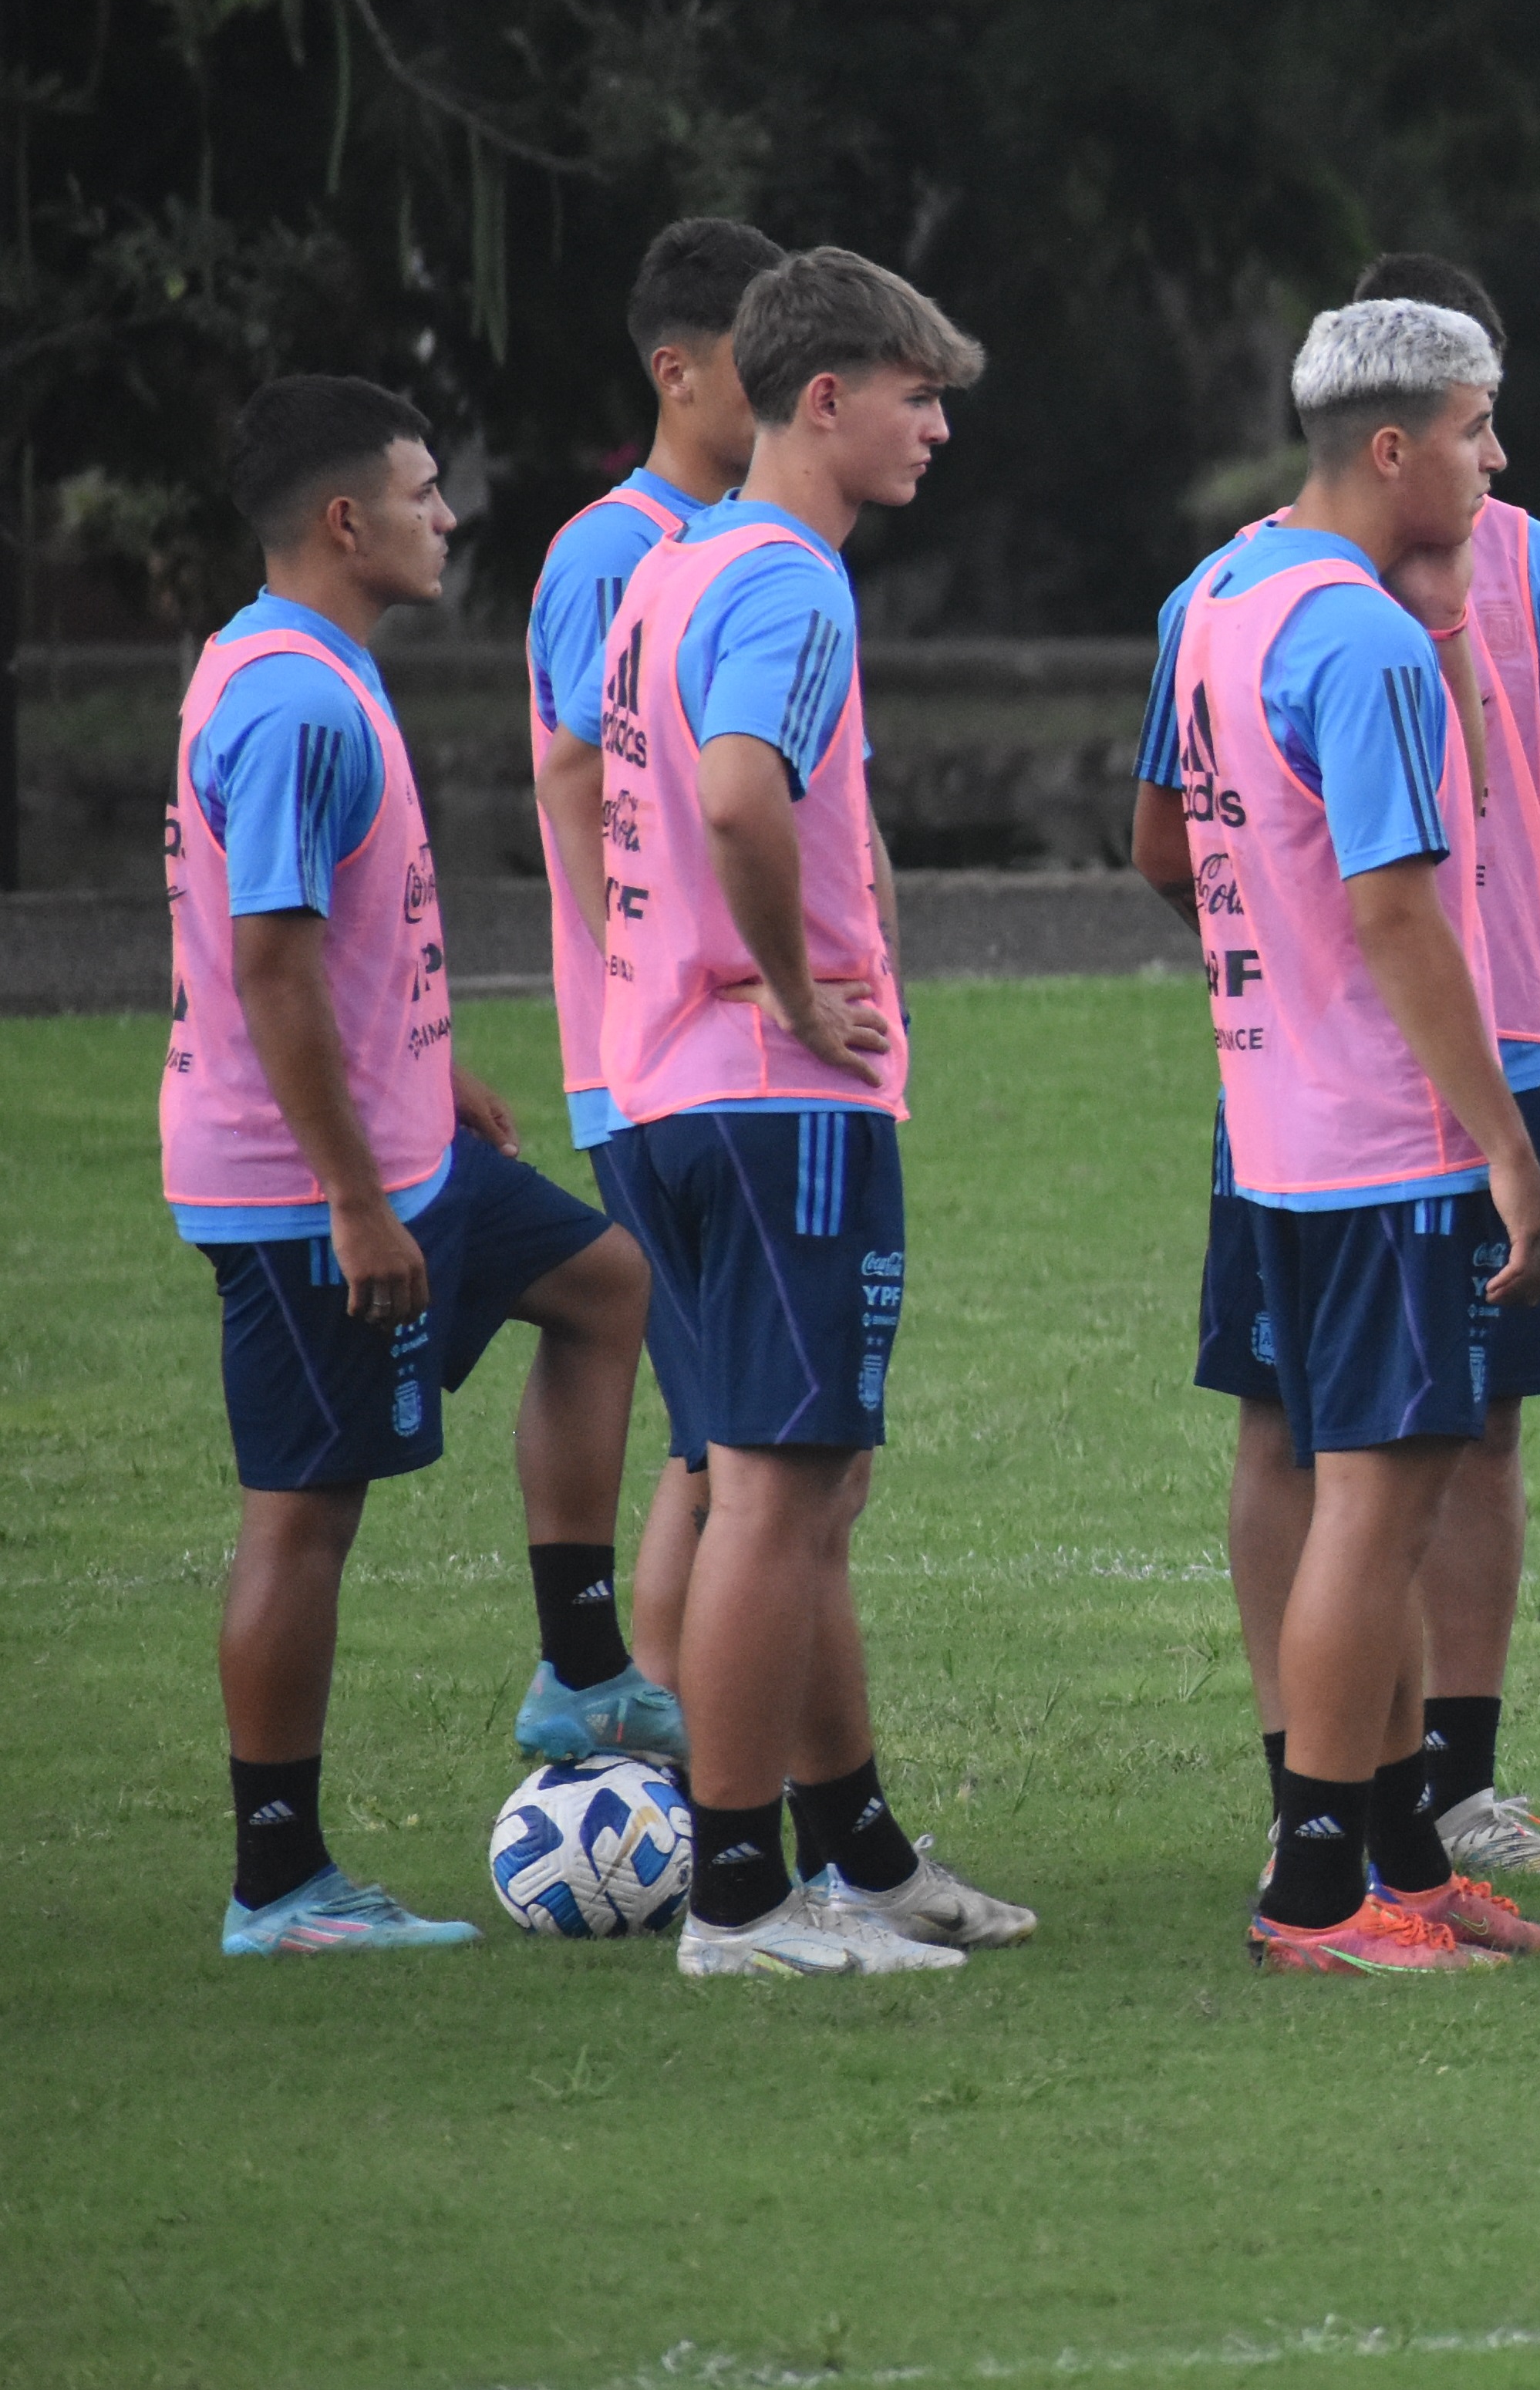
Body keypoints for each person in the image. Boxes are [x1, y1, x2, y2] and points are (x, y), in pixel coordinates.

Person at [1132, 258, 1540, 1889]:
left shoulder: (1227, 595)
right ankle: (1321, 1881)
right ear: (1398, 449)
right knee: (1378, 1498)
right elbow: (1403, 915)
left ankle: (1408, 1858)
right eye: (1480, 435)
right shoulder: (1363, 640)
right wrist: (1505, 1146)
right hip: (1390, 1135)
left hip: (1282, 1123)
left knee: (1382, 1480)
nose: (1499, 465)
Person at [174, 377, 660, 1953]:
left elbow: (326, 934)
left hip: (399, 1148)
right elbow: (266, 963)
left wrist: (427, 1063)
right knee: (301, 1521)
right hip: (313, 1187)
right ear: (343, 522)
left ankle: (583, 1670)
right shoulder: (296, 701)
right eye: (421, 489)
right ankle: (280, 1884)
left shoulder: (307, 666)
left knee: (606, 1287)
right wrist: (355, 1197)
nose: (446, 513)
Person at [600, 246, 1034, 1976]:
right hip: (768, 1095)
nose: (938, 426)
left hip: (662, 1091)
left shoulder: (671, 568)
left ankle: (854, 1849)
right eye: (919, 393)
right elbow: (735, 798)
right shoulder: (788, 580)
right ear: (829, 397)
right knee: (779, 1493)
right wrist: (788, 990)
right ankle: (737, 1900)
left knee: (793, 1480)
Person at [529, 214, 786, 1727]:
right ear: (678, 370)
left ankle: (682, 1757)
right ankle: (678, 1758)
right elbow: (568, 768)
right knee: (724, 1441)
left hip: (717, 1051)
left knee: (729, 1430)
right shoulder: (613, 548)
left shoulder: (742, 541)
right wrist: (638, 966)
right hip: (655, 1061)